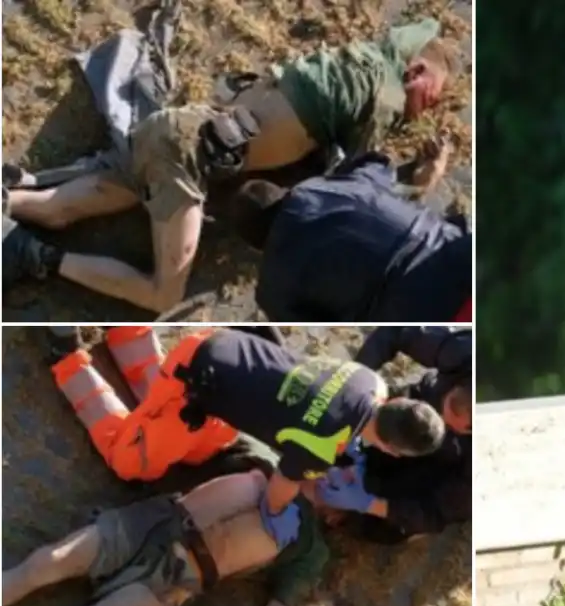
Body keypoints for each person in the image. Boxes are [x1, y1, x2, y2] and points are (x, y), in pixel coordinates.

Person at [1, 19, 459, 313]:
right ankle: (38, 257)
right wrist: (420, 181)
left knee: (53, 208)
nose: (423, 111)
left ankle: (9, 204)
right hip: (183, 159)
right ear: (416, 72)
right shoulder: (384, 94)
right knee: (164, 295)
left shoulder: (346, 66)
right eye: (430, 97)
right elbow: (357, 196)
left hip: (171, 131)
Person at [49, 325, 446, 532]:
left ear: (397, 402)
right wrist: (274, 513)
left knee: (205, 447)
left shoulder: (369, 381)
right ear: (393, 450)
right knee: (133, 463)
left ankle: (127, 332)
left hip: (226, 351)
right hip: (195, 384)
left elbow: (324, 410)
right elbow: (280, 490)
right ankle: (65, 355)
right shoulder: (323, 447)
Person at [2, 470, 330, 606]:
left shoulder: (313, 549)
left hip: (176, 579)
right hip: (152, 522)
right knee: (46, 563)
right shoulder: (277, 454)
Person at [227, 154, 472, 322]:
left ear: (256, 246)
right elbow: (378, 162)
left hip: (426, 308)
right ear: (282, 192)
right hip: (458, 252)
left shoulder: (272, 290)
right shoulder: (323, 188)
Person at [315, 326, 473, 544]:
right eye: (445, 409)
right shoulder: (465, 353)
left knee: (383, 526)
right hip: (413, 409)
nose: (441, 423)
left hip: (442, 466)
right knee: (335, 439)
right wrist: (355, 387)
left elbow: (437, 512)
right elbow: (397, 331)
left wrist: (370, 504)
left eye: (451, 425)